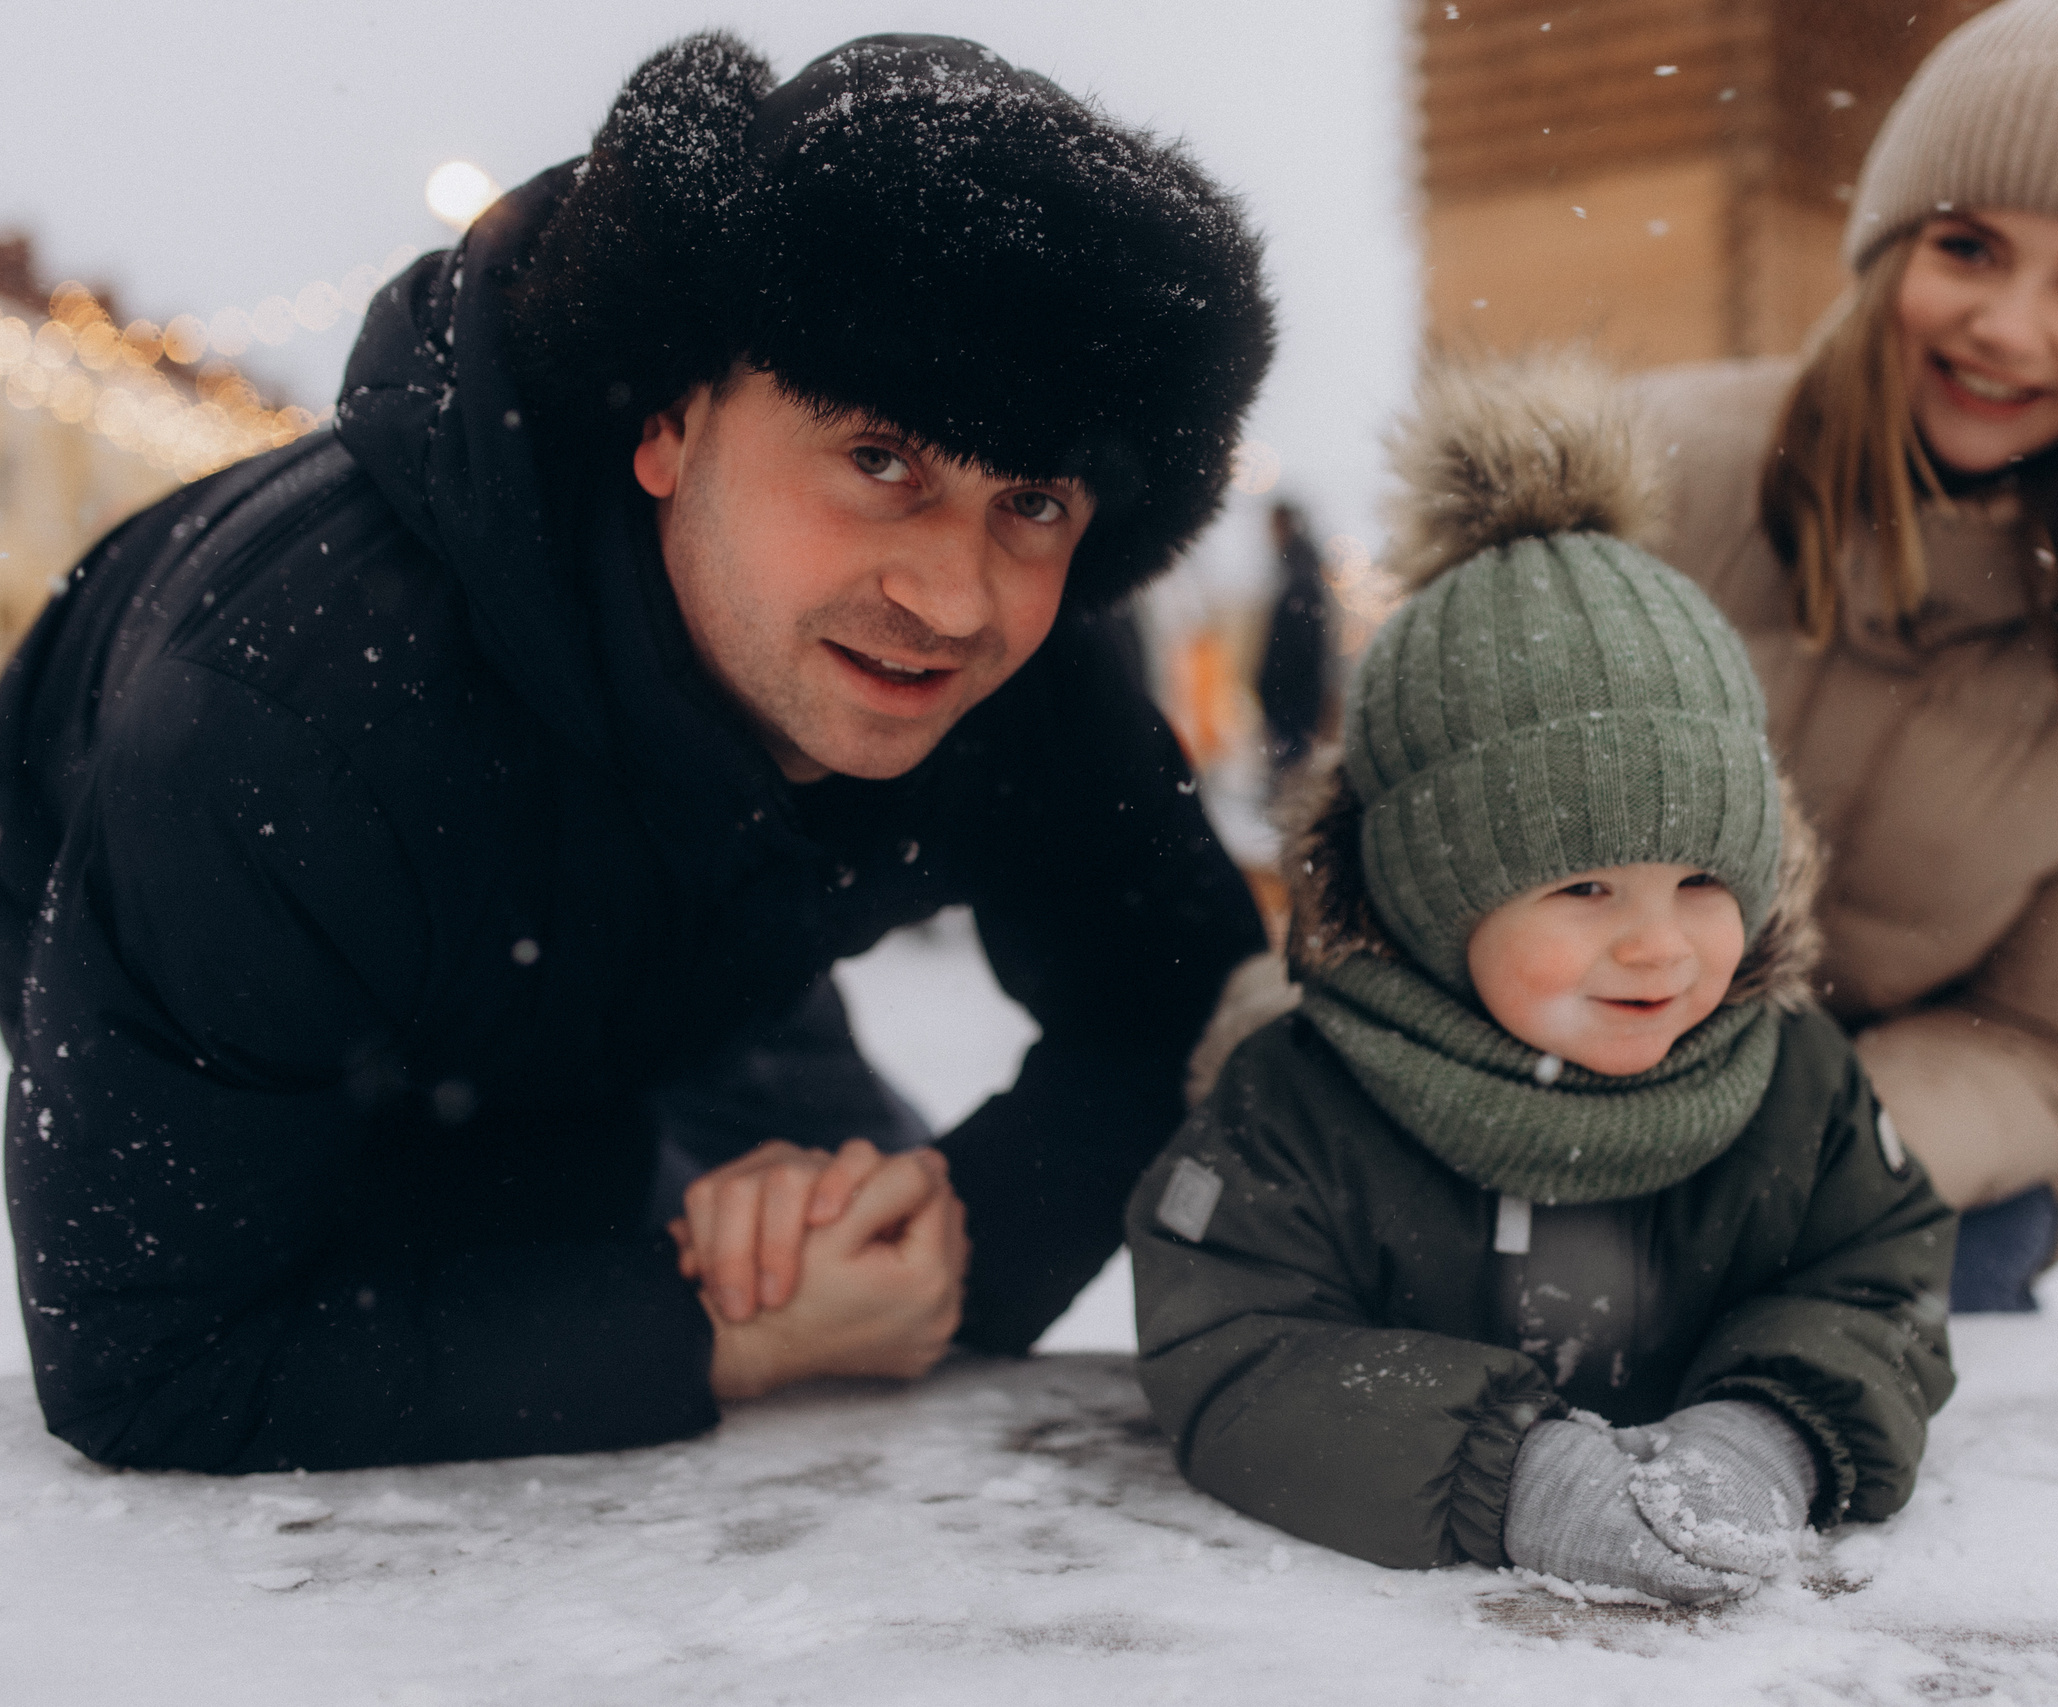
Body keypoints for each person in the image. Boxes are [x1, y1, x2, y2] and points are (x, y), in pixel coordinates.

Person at [0, 33, 1275, 1472]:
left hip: (703, 945)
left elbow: (1171, 995)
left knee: (822, 1252)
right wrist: (722, 1330)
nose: (955, 597)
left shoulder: (1019, 668)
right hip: (329, 950)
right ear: (669, 418)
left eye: (1032, 499)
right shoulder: (288, 728)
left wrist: (949, 1236)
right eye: (879, 459)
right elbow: (154, 1354)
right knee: (507, 1250)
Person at [1130, 360, 1954, 1604]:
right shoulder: (1302, 1107)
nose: (1658, 946)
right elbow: (1232, 1346)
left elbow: (1878, 1279)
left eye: (1700, 882)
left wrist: (1769, 1430)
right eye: (1581, 890)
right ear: (1428, 891)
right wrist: (1512, 1476)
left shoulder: (1793, 1085)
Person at [1636, 0, 2058, 1312]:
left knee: (1837, 1325)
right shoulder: (1657, 478)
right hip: (1592, 1084)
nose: (2011, 327)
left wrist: (1795, 1163)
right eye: (1971, 248)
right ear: (1888, 245)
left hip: (1932, 1152)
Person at [1254, 499, 1330, 783]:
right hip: (1294, 701)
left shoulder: (1298, 577)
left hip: (1292, 704)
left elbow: (1296, 648)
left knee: (1291, 780)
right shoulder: (1298, 570)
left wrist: (1272, 691)